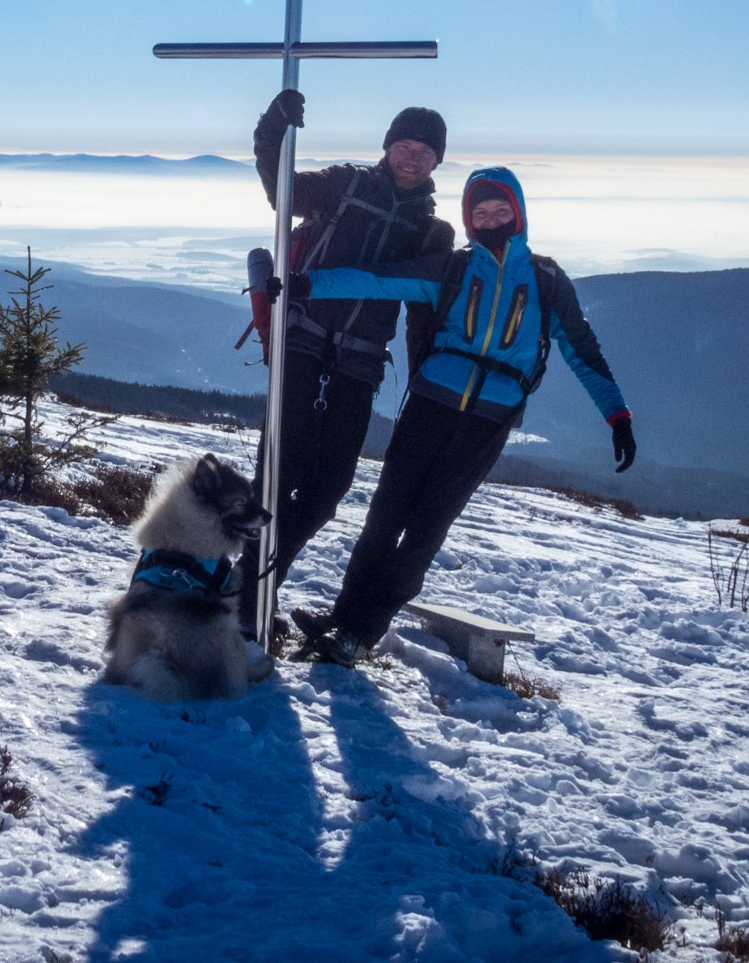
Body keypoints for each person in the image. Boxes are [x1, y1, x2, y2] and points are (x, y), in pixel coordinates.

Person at [276, 166, 636, 667]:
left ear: (519, 212)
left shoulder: (547, 281)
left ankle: (362, 631)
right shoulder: (452, 268)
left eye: (500, 210)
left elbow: (583, 350)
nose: (491, 219)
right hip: (429, 406)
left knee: (426, 528)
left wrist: (616, 415)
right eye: (480, 212)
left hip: (488, 421)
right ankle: (341, 618)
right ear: (469, 220)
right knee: (384, 517)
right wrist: (308, 283)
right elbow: (378, 281)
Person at [242, 88, 456, 640]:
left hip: (361, 362)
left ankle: (253, 580)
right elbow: (281, 190)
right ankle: (247, 602)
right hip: (303, 338)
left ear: (437, 161)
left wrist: (426, 380)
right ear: (387, 147)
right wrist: (273, 131)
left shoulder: (436, 233)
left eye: (423, 151)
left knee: (329, 486)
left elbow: (422, 312)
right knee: (276, 475)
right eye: (404, 144)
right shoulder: (346, 184)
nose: (411, 157)